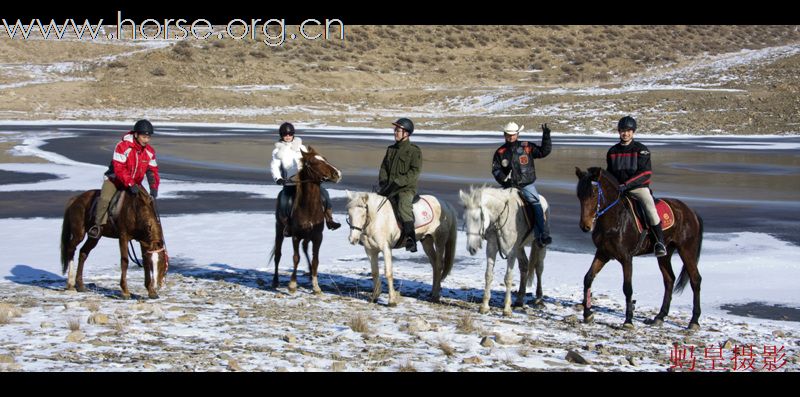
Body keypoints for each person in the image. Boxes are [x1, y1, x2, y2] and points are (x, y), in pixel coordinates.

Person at [87, 119, 160, 239]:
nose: (146, 140)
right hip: (115, 180)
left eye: (148, 137)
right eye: (144, 137)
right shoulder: (122, 146)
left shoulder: (149, 152)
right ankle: (97, 225)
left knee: (148, 202)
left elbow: (152, 170)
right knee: (105, 199)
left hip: (135, 183)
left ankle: (150, 228)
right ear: (136, 135)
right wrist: (130, 183)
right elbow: (119, 168)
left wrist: (153, 187)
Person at [606, 116, 667, 257]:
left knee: (650, 207)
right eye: (622, 130)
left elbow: (645, 173)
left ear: (633, 132)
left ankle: (660, 242)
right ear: (619, 132)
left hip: (638, 188)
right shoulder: (612, 151)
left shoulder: (641, 150)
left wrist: (626, 185)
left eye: (628, 131)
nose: (625, 133)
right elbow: (610, 173)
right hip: (619, 189)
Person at [271, 122, 340, 236]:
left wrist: (318, 175)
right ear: (281, 135)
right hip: (290, 183)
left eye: (290, 134)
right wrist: (278, 178)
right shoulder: (277, 151)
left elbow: (311, 163)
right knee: (284, 202)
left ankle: (329, 219)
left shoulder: (301, 147)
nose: (288, 136)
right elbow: (274, 166)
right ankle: (288, 225)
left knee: (324, 195)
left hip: (305, 182)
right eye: (285, 134)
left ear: (293, 134)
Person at [491, 121, 552, 246]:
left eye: (513, 134)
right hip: (508, 186)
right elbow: (496, 170)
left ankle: (541, 234)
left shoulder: (527, 147)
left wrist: (546, 136)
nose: (511, 137)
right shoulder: (500, 152)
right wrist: (504, 180)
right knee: (493, 204)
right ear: (504, 134)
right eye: (508, 134)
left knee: (536, 204)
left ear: (517, 134)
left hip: (526, 185)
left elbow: (543, 152)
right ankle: (490, 234)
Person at [378, 118, 422, 252]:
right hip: (388, 188)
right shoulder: (390, 149)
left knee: (403, 205)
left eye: (398, 130)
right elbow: (384, 168)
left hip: (406, 189)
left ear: (406, 133)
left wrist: (397, 183)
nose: (395, 132)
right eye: (395, 130)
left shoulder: (414, 151)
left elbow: (414, 172)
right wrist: (384, 183)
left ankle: (411, 239)